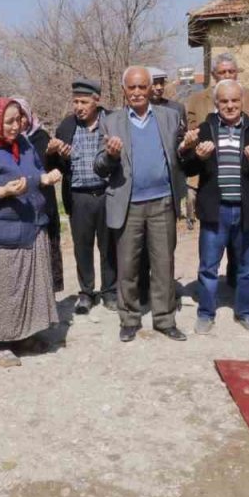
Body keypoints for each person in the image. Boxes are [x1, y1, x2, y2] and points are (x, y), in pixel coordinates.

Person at [0, 98, 62, 368]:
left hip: (28, 227)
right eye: (9, 121)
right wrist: (2, 191)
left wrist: (44, 178)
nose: (16, 126)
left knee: (26, 288)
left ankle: (25, 336)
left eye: (19, 120)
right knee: (0, 292)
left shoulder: (25, 144)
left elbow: (35, 172)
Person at [180, 80, 249, 335]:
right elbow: (188, 168)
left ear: (242, 101)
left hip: (247, 210)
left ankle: (245, 312)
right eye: (224, 101)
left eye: (234, 100)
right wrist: (197, 156)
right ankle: (205, 313)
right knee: (208, 267)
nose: (230, 106)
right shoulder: (206, 129)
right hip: (216, 210)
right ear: (216, 104)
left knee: (248, 268)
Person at [95, 66, 187, 343]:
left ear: (151, 88)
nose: (137, 92)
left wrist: (189, 147)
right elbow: (99, 166)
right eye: (131, 88)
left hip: (162, 202)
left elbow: (182, 155)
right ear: (124, 91)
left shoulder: (170, 117)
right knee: (128, 266)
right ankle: (129, 318)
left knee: (163, 264)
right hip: (128, 204)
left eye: (142, 87)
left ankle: (164, 319)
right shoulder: (111, 121)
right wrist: (110, 156)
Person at [46, 79, 117, 315]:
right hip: (79, 197)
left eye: (84, 102)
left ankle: (109, 291)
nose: (79, 106)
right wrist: (59, 156)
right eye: (75, 101)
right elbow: (57, 167)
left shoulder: (112, 121)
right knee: (82, 248)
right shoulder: (66, 127)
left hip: (107, 194)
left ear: (96, 100)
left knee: (109, 246)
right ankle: (86, 293)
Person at [12, 96, 64, 293]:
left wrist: (52, 154)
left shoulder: (41, 137)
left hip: (44, 200)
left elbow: (56, 169)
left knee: (49, 245)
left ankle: (51, 291)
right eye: (15, 117)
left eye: (22, 116)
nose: (20, 122)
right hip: (19, 203)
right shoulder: (7, 142)